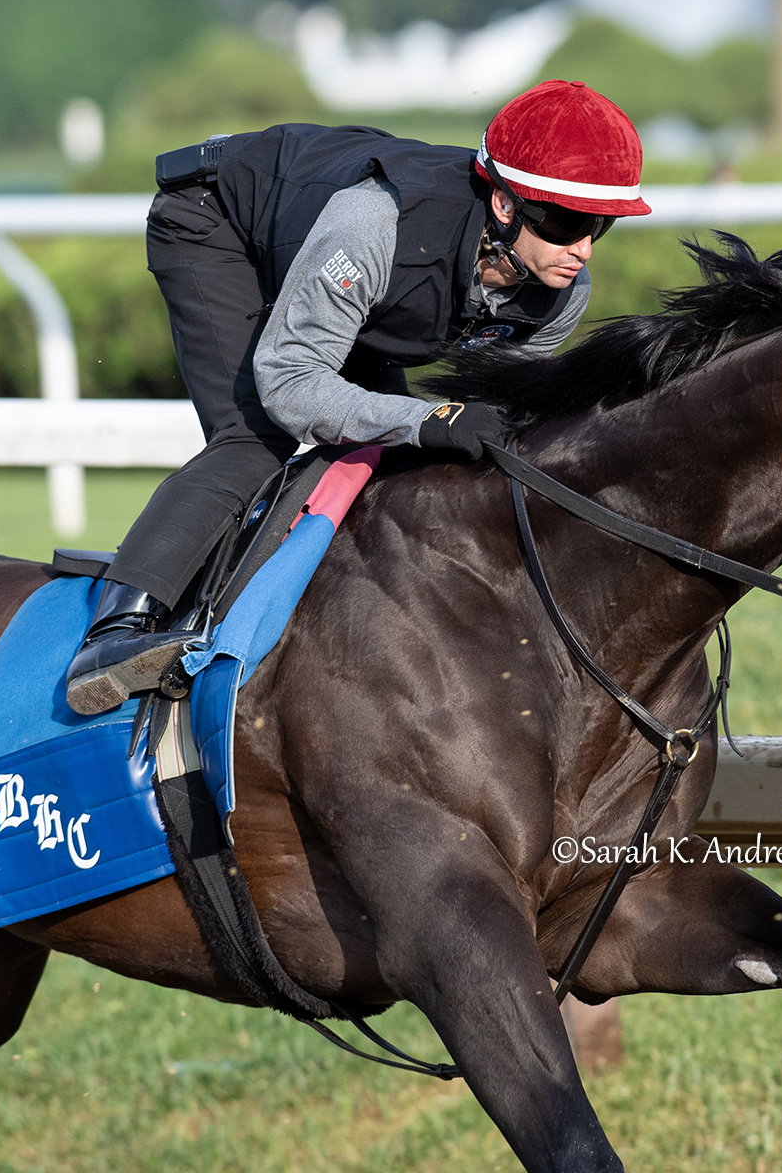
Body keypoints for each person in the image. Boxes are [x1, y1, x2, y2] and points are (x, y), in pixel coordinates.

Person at [65, 79, 652, 716]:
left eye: (602, 225)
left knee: (398, 456)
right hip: (219, 222)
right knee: (256, 438)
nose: (583, 248)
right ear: (506, 207)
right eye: (566, 222)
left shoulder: (561, 294)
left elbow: (496, 420)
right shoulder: (376, 224)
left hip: (366, 287)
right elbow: (292, 385)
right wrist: (431, 417)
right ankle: (115, 632)